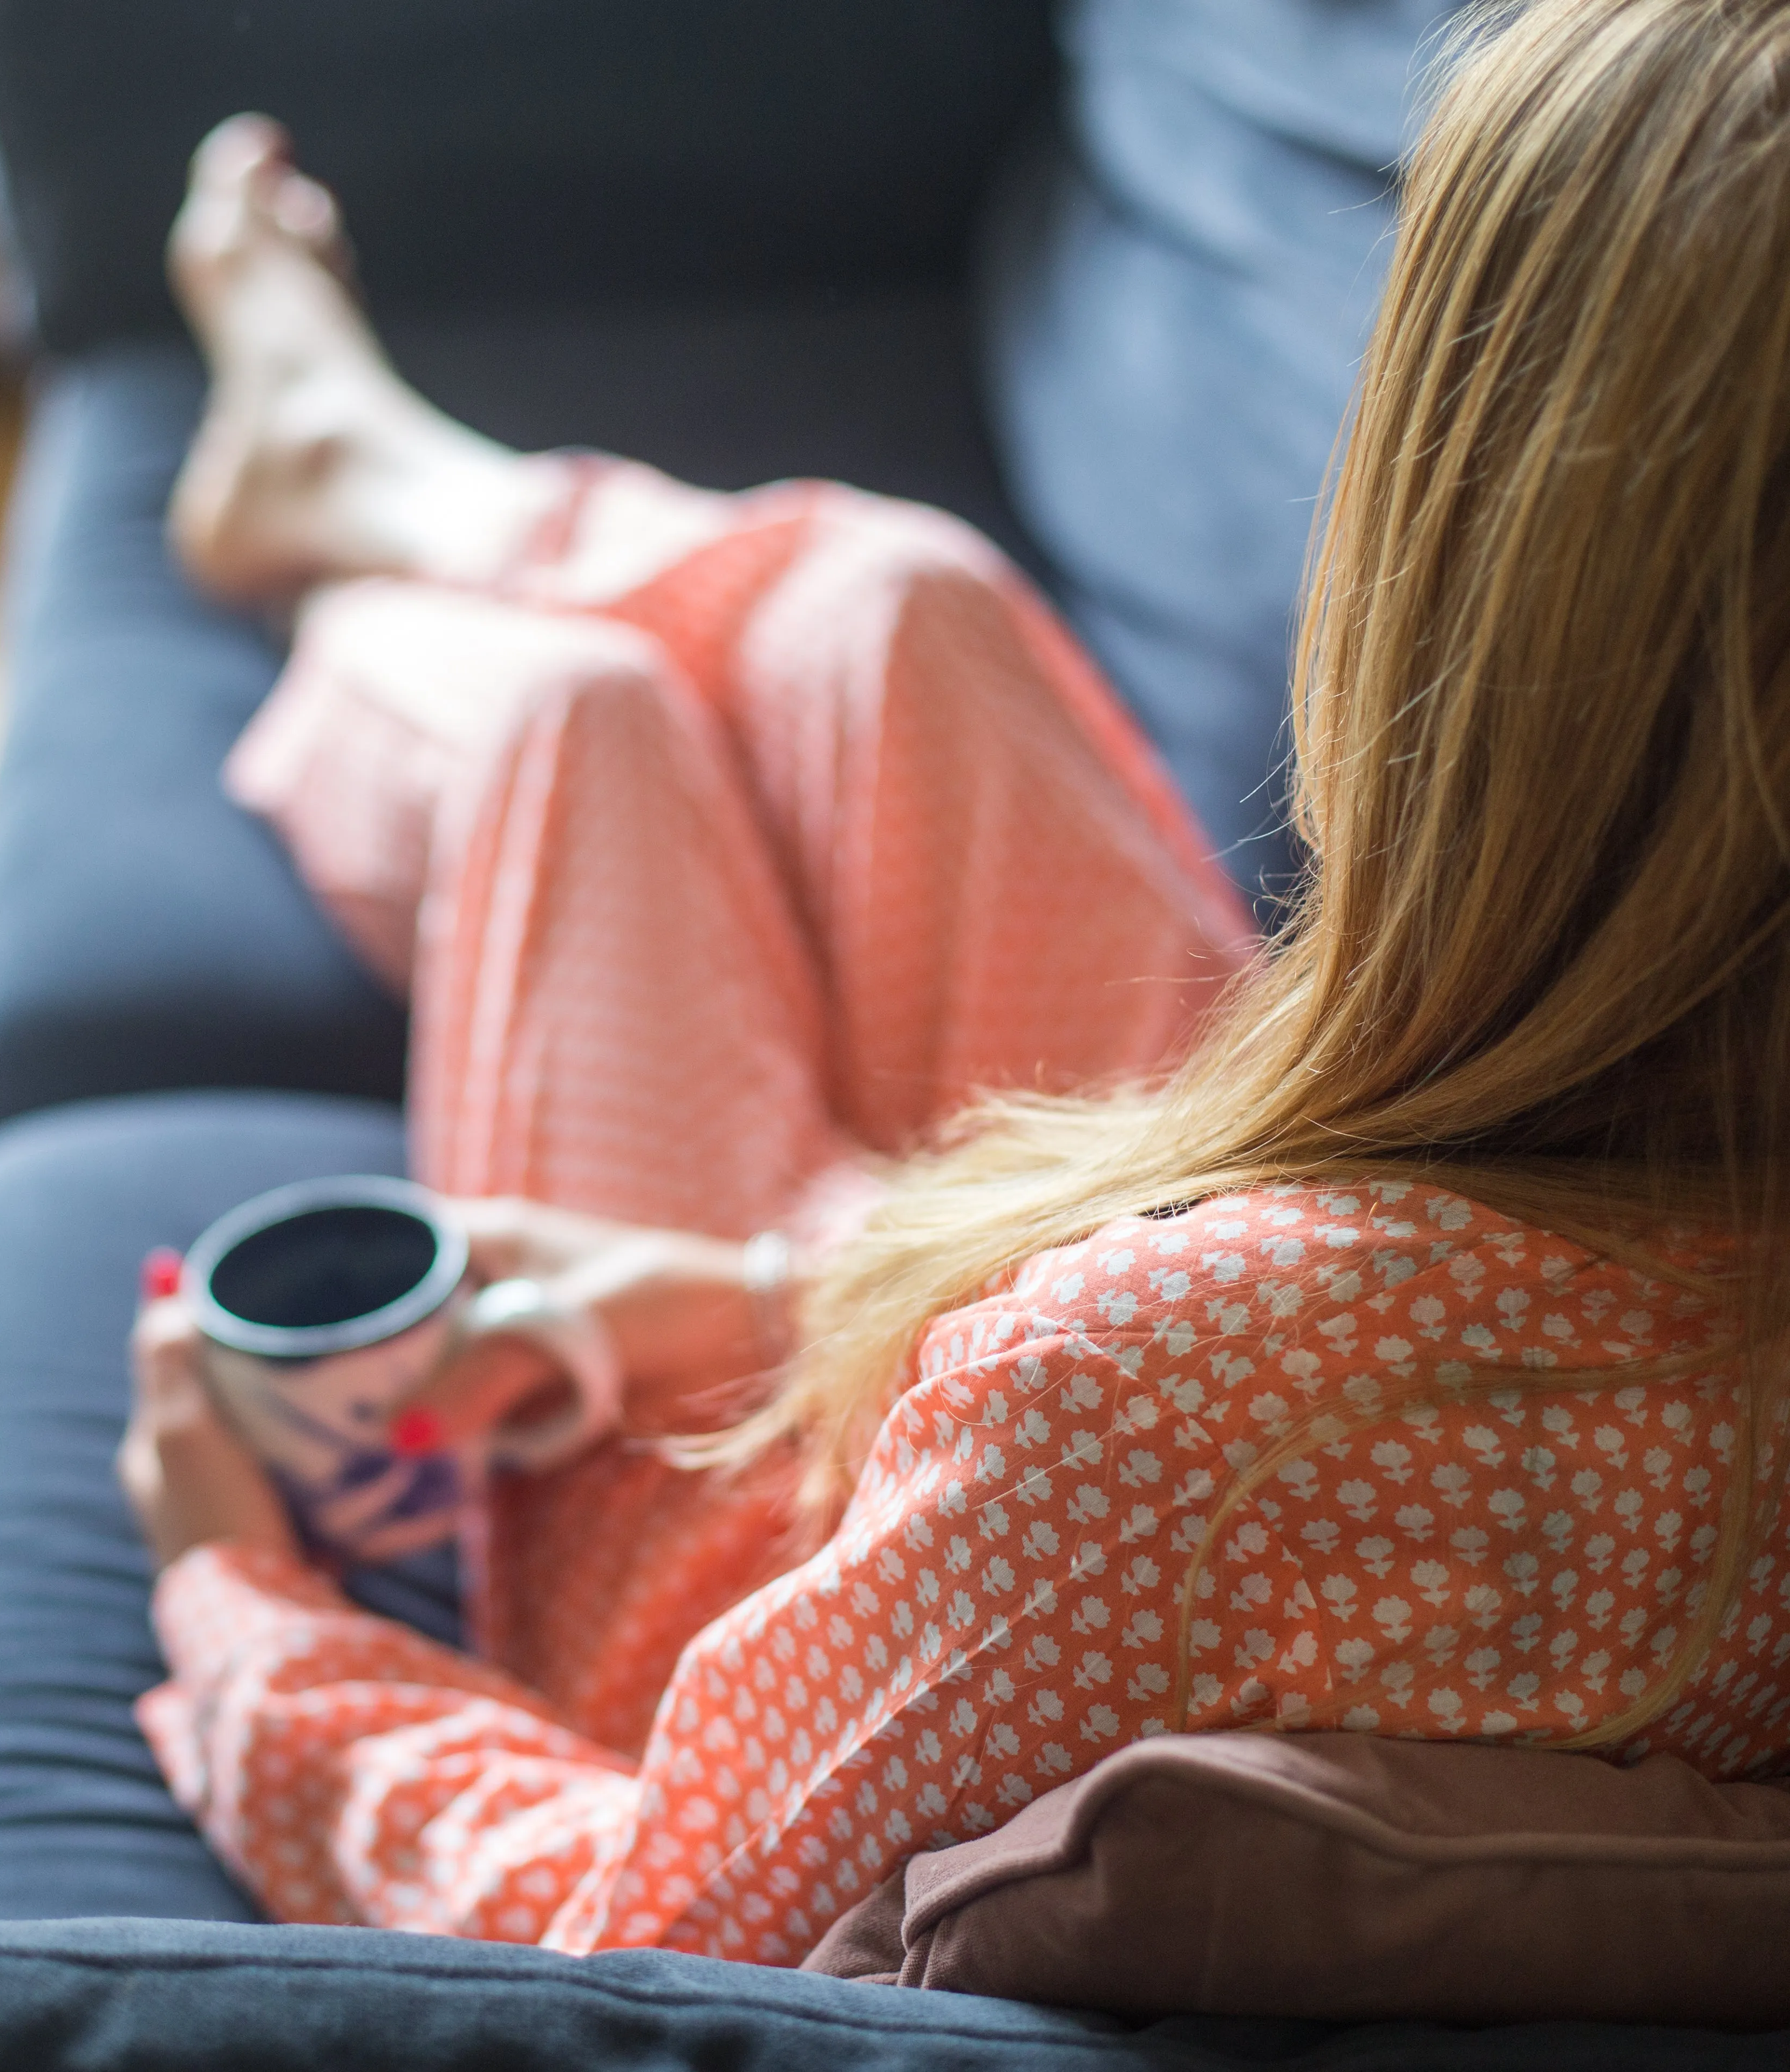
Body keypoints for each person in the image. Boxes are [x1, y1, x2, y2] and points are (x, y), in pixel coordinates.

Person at [122, 0, 1790, 1970]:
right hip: (1217, 1338)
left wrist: (240, 1612)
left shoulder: (1150, 1414)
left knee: (578, 736)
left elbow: (635, 1926)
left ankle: (356, 532)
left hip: (865, 1555)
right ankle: (386, 479)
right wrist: (756, 1292)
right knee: (886, 608)